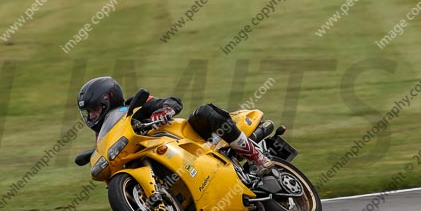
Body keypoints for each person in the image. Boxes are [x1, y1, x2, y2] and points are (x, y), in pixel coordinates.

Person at [77, 76, 274, 176]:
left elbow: (172, 101)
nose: (92, 116)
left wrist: (164, 111)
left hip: (188, 140)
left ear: (108, 100)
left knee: (204, 111)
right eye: (89, 112)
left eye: (94, 109)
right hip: (158, 159)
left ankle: (257, 157)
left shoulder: (133, 106)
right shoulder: (105, 136)